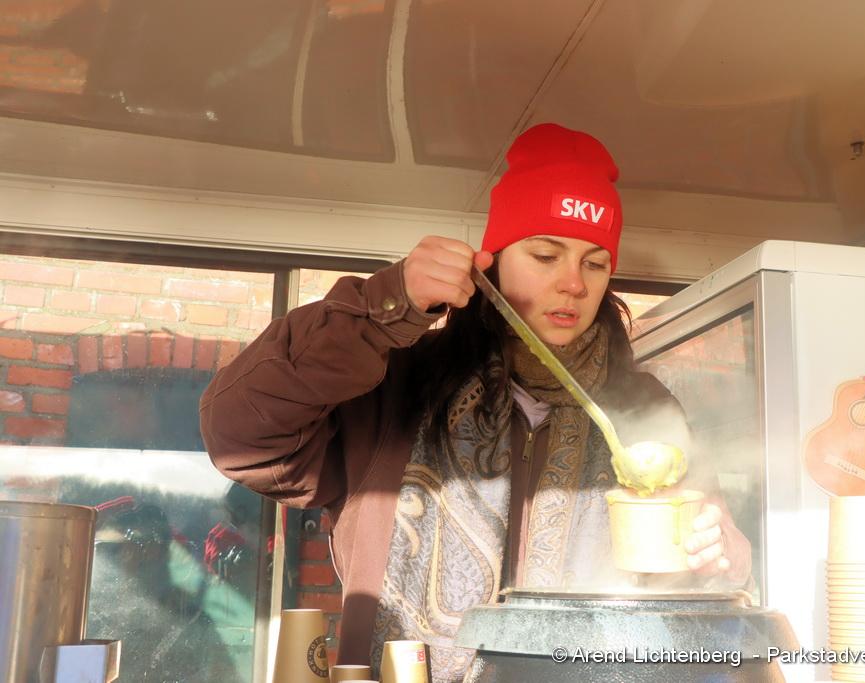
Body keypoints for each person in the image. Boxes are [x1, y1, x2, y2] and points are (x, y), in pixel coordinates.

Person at [200, 123, 751, 682]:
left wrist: (717, 555)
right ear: (494, 260)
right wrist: (382, 307)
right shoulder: (396, 379)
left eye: (594, 262)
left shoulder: (645, 408)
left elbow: (708, 576)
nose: (574, 284)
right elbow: (240, 437)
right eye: (546, 254)